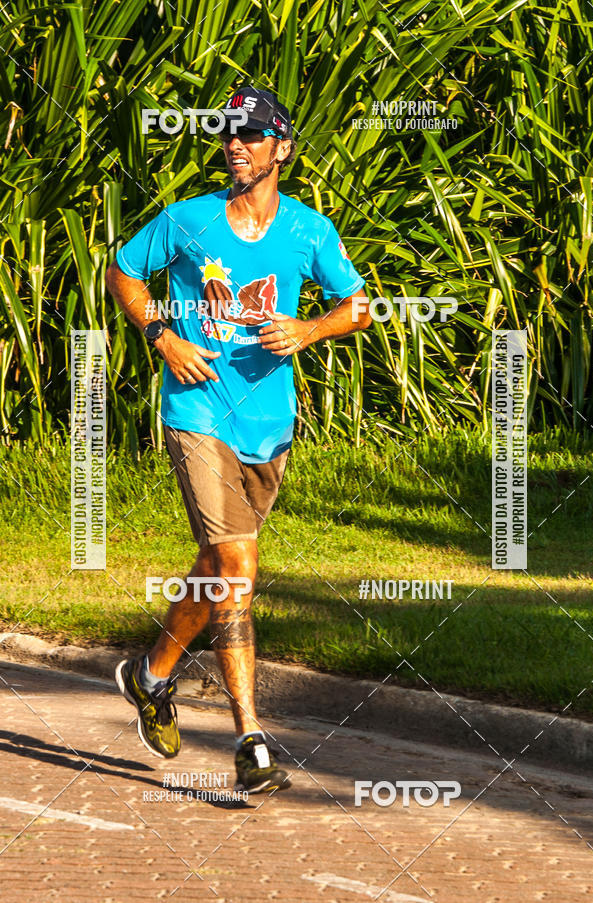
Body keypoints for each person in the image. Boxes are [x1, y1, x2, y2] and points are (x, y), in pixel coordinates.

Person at [105, 86, 371, 794]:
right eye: (228, 135)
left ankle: (151, 674)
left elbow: (360, 304)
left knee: (216, 564)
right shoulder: (187, 221)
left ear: (282, 147)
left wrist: (311, 329)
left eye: (252, 135)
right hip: (196, 412)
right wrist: (161, 335)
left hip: (269, 426)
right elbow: (123, 269)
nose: (236, 145)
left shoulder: (310, 232)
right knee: (238, 560)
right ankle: (250, 739)